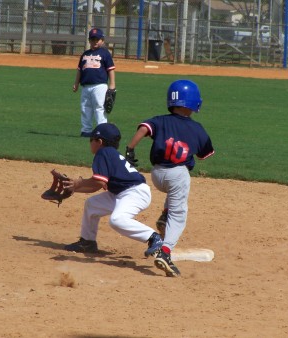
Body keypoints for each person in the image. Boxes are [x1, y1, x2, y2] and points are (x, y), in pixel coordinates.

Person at [125, 79, 215, 277]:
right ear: (193, 103)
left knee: (174, 192)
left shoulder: (159, 120)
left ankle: (166, 213)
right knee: (179, 213)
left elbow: (142, 129)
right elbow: (205, 154)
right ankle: (165, 252)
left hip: (157, 174)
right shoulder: (197, 128)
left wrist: (130, 149)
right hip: (177, 176)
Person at [62, 123, 163, 259]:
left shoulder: (102, 153)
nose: (90, 143)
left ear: (99, 141)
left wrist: (78, 183)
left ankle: (153, 237)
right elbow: (96, 185)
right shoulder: (110, 153)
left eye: (91, 140)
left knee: (117, 220)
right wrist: (75, 187)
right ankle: (87, 242)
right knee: (92, 205)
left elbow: (99, 182)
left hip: (135, 193)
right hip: (122, 192)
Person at [73, 28, 116, 137]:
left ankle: (102, 130)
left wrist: (112, 84)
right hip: (85, 86)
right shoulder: (85, 54)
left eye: (98, 39)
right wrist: (76, 83)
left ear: (102, 40)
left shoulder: (105, 53)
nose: (95, 41)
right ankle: (86, 130)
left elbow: (110, 69)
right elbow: (79, 70)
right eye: (93, 39)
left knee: (99, 107)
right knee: (85, 108)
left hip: (99, 86)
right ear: (89, 40)